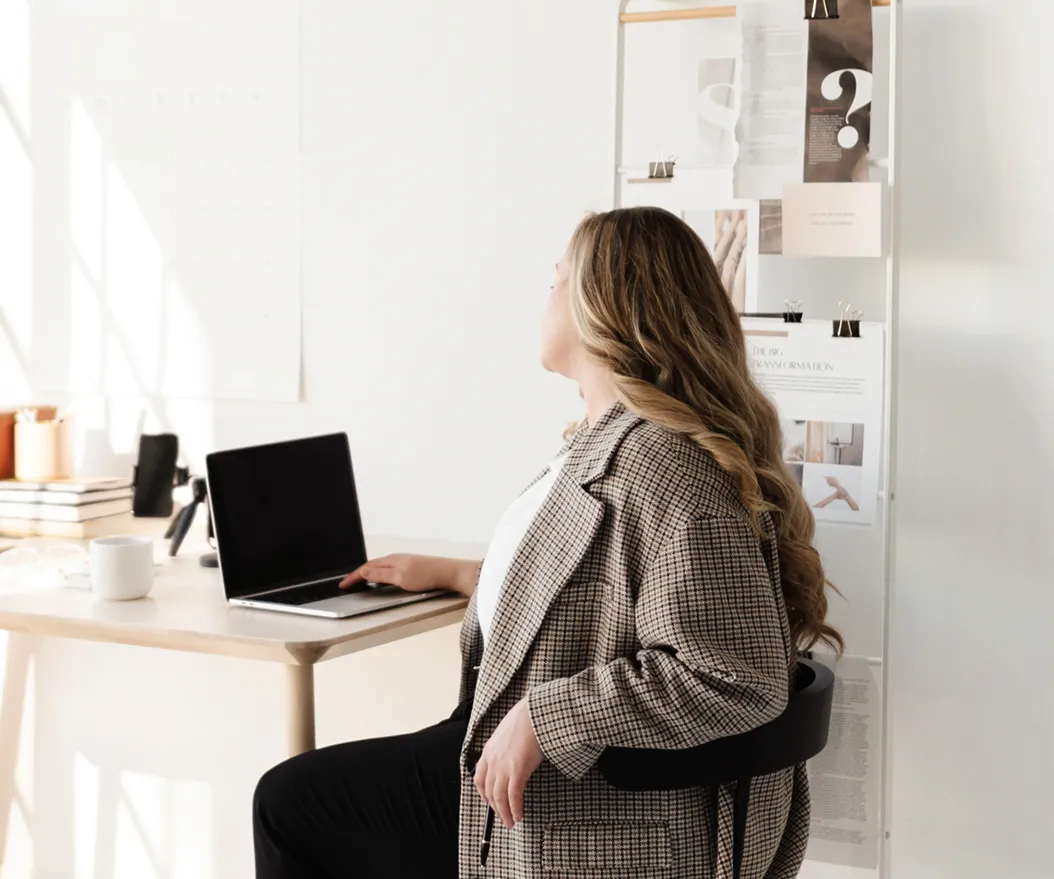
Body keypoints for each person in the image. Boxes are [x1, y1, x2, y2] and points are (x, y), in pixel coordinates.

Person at [252, 206, 843, 879]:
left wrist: (543, 715)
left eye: (557, 280)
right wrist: (454, 573)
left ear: (602, 306)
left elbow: (735, 674)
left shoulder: (664, 465)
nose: (547, 295)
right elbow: (588, 584)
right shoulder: (606, 440)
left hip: (579, 801)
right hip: (512, 754)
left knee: (289, 805)